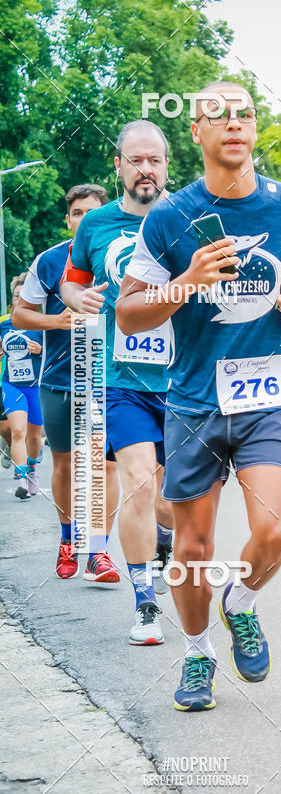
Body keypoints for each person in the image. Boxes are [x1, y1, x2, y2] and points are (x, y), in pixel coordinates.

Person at [116, 80, 281, 710]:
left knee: (276, 532)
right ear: (197, 131)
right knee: (191, 550)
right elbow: (128, 313)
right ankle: (198, 653)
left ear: (255, 129)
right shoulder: (169, 217)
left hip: (266, 399)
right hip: (194, 403)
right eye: (219, 115)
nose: (234, 124)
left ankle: (241, 601)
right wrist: (186, 281)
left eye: (245, 115)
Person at [61, 120, 174, 644]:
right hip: (120, 377)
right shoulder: (97, 223)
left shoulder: (191, 217)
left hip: (184, 380)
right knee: (140, 483)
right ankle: (145, 601)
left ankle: (163, 540)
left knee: (174, 499)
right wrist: (75, 297)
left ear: (167, 165)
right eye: (135, 160)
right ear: (119, 166)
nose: (145, 169)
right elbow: (72, 282)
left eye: (154, 160)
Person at [13, 184, 121, 579]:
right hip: (59, 379)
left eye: (92, 212)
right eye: (77, 213)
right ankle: (67, 540)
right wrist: (56, 321)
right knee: (66, 465)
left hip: (110, 379)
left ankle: (98, 551)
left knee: (104, 466)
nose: (84, 219)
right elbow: (21, 314)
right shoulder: (50, 260)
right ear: (68, 219)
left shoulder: (122, 254)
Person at [0, 275, 43, 499]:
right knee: (17, 431)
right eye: (17, 295)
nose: (20, 299)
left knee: (34, 437)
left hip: (37, 387)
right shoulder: (3, 324)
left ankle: (32, 468)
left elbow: (57, 355)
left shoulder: (43, 323)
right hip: (12, 385)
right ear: (13, 300)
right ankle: (22, 479)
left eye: (24, 295)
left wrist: (42, 351)